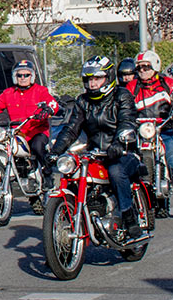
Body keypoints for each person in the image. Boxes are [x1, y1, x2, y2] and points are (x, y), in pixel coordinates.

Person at [48, 57, 149, 234]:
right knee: (73, 173)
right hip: (95, 154)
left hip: (123, 152)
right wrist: (55, 151)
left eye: (97, 78)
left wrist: (119, 144)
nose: (92, 83)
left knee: (116, 171)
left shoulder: (122, 96)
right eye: (88, 79)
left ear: (108, 77)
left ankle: (128, 217)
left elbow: (127, 121)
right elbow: (72, 129)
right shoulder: (83, 101)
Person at [126, 50, 173, 223]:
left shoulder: (166, 82)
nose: (142, 71)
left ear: (155, 66)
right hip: (141, 132)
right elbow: (123, 103)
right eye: (139, 68)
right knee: (127, 164)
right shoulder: (132, 86)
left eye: (146, 67)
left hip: (164, 129)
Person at [0, 59, 59, 178]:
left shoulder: (40, 91)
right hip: (16, 133)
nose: (23, 78)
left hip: (36, 131)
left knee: (37, 147)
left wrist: (48, 110)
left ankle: (47, 174)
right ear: (15, 77)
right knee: (4, 145)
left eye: (26, 75)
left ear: (32, 76)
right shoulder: (8, 93)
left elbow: (53, 103)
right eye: (19, 75)